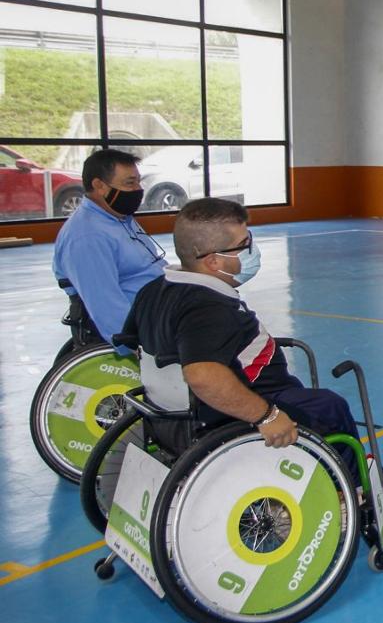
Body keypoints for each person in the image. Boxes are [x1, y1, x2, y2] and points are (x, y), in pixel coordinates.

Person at [121, 197, 357, 450]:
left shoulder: (153, 291)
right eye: (243, 245)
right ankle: (353, 485)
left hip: (173, 418)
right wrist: (267, 416)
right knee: (330, 406)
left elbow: (135, 344)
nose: (251, 250)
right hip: (233, 415)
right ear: (213, 261)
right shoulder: (209, 308)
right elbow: (201, 375)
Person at [52, 149, 166, 356]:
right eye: (129, 183)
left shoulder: (119, 219)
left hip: (160, 310)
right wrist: (141, 348)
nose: (138, 190)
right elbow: (106, 305)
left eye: (138, 182)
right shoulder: (87, 236)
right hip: (144, 323)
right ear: (99, 186)